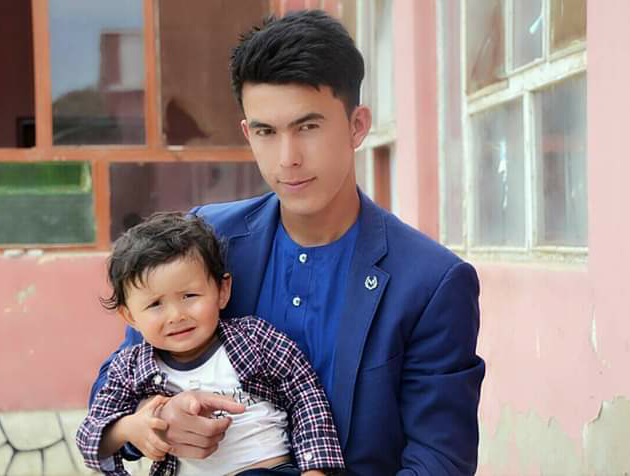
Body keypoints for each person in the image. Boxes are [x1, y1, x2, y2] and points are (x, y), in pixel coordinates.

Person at [90, 10, 485, 475]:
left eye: (308, 127)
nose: (287, 158)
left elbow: (440, 460)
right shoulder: (203, 242)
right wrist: (154, 419)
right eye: (266, 132)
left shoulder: (432, 282)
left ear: (357, 125)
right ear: (247, 133)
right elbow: (116, 387)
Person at [77, 212, 344, 476]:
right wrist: (129, 428)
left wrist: (315, 469)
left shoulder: (254, 338)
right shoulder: (130, 368)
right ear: (129, 316)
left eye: (189, 295)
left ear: (222, 291)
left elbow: (305, 395)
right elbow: (89, 435)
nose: (176, 315)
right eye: (155, 304)